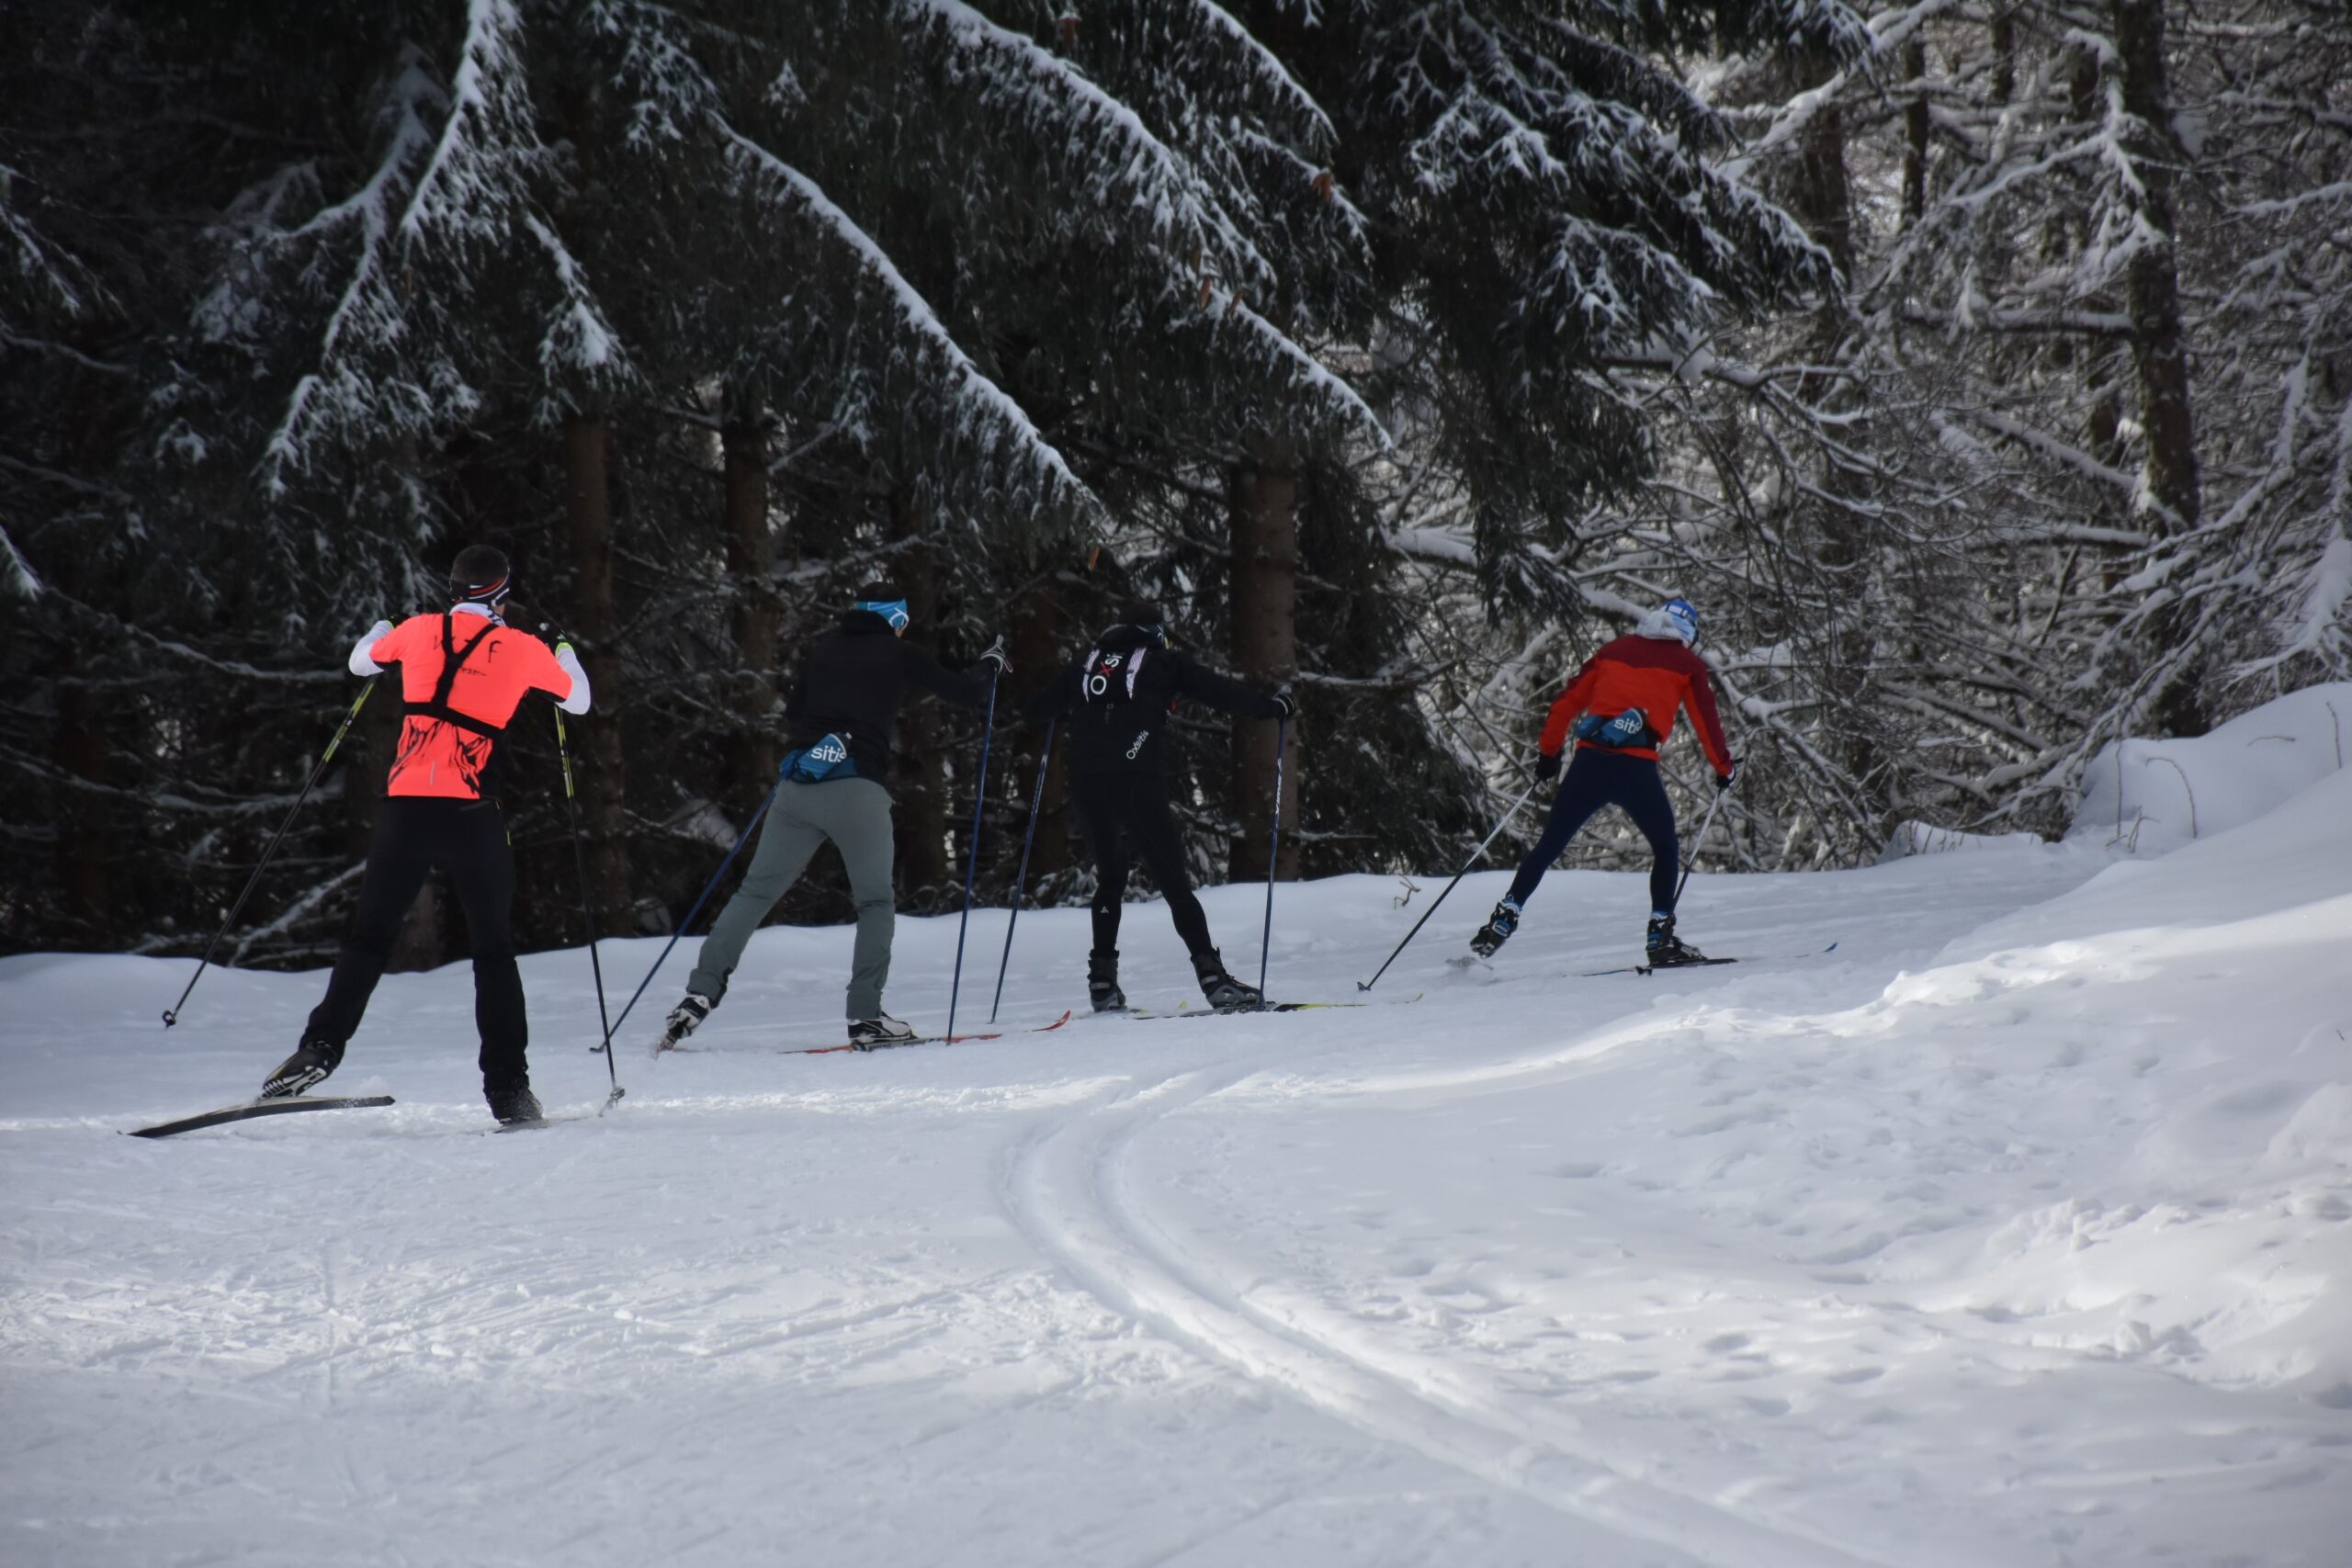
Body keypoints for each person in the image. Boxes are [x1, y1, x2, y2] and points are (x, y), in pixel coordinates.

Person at [261, 545, 591, 1124]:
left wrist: (382, 625)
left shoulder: (416, 631)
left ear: (454, 590)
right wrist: (563, 647)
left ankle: (320, 1048)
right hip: (472, 815)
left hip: (405, 811)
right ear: (502, 595)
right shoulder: (521, 646)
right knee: (492, 952)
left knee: (368, 938)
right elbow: (579, 700)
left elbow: (361, 662)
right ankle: (509, 1090)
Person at [661, 582, 1008, 1050]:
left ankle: (698, 994)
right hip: (857, 789)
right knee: (874, 904)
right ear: (896, 618)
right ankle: (865, 1018)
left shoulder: (823, 650)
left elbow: (797, 710)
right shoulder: (899, 652)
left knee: (755, 892)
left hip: (799, 786)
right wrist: (990, 664)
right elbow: (965, 693)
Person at [1028, 600, 1295, 1012]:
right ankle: (1214, 980)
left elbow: (1035, 710)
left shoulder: (1087, 663)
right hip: (1137, 779)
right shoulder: (1162, 660)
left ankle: (1102, 984)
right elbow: (1216, 691)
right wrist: (1270, 707)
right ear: (1156, 633)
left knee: (1110, 878)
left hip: (1086, 783)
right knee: (1172, 882)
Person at [1470, 597, 1736, 966]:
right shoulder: (1688, 665)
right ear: (1689, 633)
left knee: (1549, 846)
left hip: (1589, 764)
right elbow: (1707, 723)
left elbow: (1564, 704)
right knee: (1665, 847)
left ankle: (1503, 919)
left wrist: (1549, 755)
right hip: (1636, 770)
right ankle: (1660, 938)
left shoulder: (1612, 651)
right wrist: (1723, 768)